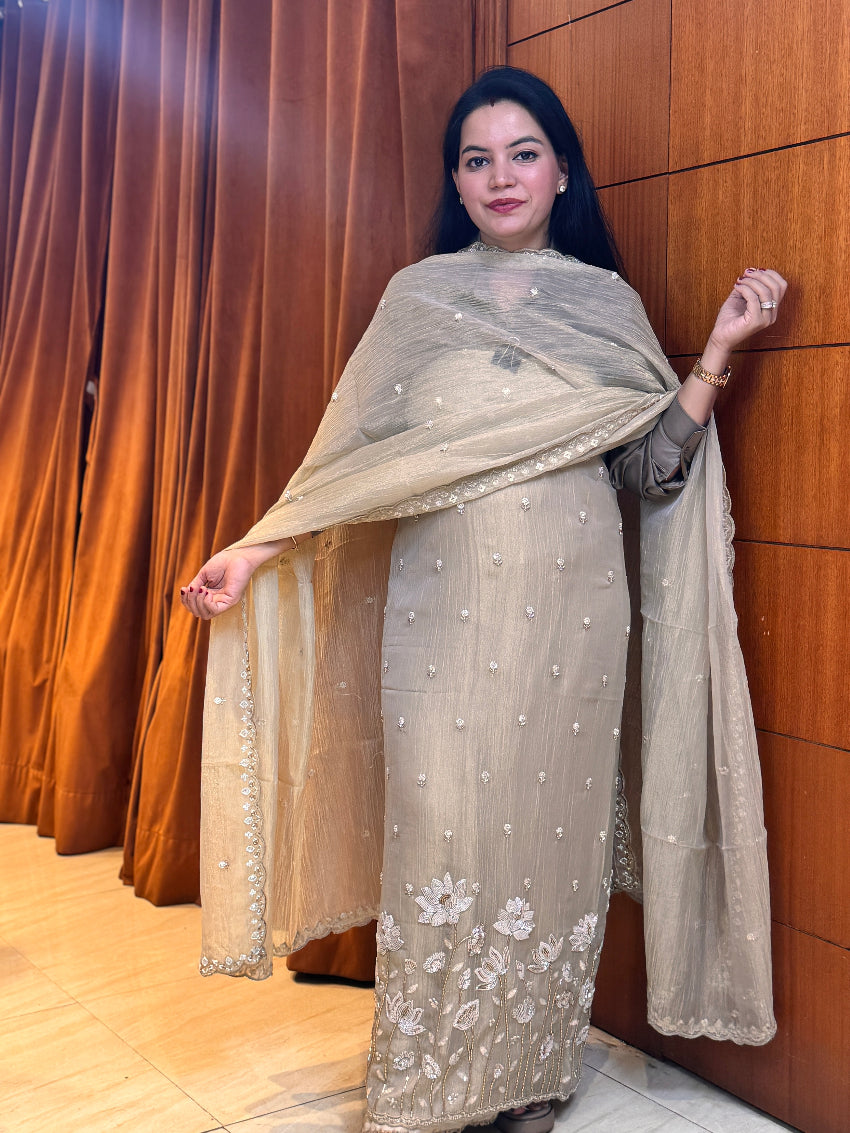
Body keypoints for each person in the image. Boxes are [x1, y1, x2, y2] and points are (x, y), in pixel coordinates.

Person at [182, 68, 785, 1133]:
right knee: (443, 830)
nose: (499, 175)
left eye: (521, 153)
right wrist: (256, 546)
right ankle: (428, 1083)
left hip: (573, 621)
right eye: (476, 158)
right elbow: (351, 464)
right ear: (455, 183)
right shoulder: (417, 300)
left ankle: (528, 1073)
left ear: (561, 172)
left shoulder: (606, 305)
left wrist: (721, 352)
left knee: (547, 839)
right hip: (439, 621)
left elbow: (648, 472)